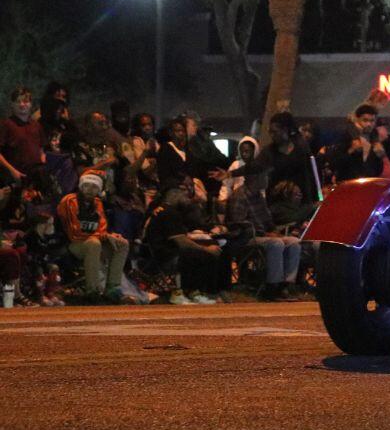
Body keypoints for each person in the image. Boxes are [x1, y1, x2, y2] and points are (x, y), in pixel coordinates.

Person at [225, 137, 302, 301]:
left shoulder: (259, 197)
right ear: (256, 177)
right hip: (246, 239)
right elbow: (238, 225)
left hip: (262, 235)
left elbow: (268, 221)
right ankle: (272, 286)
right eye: (265, 176)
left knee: (293, 242)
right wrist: (267, 234)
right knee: (276, 243)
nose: (267, 180)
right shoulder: (239, 196)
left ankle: (286, 284)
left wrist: (274, 231)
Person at [211, 112, 317, 217]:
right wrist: (230, 174)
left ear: (285, 130)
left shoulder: (301, 147)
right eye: (270, 132)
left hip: (301, 199)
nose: (272, 135)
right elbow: (254, 166)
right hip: (279, 201)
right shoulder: (270, 152)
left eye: (275, 132)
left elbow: (310, 174)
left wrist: (313, 198)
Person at [144, 186, 226, 304]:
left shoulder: (160, 209)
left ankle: (192, 292)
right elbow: (181, 241)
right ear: (175, 196)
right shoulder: (170, 213)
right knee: (203, 255)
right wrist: (206, 249)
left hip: (157, 252)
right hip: (166, 256)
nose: (186, 199)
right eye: (183, 196)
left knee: (198, 252)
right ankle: (195, 292)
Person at [57, 173, 130, 302]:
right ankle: (93, 290)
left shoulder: (97, 203)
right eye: (86, 186)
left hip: (92, 244)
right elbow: (74, 233)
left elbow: (101, 228)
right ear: (80, 187)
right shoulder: (69, 201)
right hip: (73, 244)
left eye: (94, 187)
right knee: (94, 243)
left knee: (122, 243)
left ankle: (113, 287)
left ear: (99, 190)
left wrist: (110, 236)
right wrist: (103, 236)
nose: (90, 190)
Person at [0, 87, 46, 189]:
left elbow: (41, 149)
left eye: (25, 101)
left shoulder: (36, 125)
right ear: (12, 104)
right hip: (16, 178)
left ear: (30, 104)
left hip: (36, 177)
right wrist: (12, 171)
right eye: (18, 102)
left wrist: (44, 163)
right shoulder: (6, 125)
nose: (22, 105)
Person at [329, 104, 386, 182]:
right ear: (357, 119)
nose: (369, 124)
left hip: (368, 184)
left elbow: (377, 171)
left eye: (372, 121)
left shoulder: (374, 138)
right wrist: (351, 150)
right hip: (348, 184)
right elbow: (334, 164)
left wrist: (380, 156)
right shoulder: (346, 135)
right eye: (365, 120)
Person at [156, 117, 195, 195]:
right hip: (172, 190)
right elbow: (164, 175)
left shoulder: (188, 151)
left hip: (189, 189)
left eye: (183, 131)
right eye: (177, 131)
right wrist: (181, 181)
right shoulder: (166, 149)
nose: (181, 133)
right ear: (171, 133)